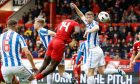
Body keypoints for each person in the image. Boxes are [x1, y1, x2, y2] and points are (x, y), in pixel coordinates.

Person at [71, 3, 126, 84]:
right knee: (102, 71)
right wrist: (75, 7)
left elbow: (97, 28)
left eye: (90, 17)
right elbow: (80, 14)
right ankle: (117, 71)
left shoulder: (94, 23)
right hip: (98, 51)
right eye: (87, 17)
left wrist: (87, 31)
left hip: (94, 51)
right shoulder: (87, 22)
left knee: (90, 73)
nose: (88, 18)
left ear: (93, 17)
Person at [35, 18, 80, 82]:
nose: (34, 24)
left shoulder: (41, 30)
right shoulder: (72, 25)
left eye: (35, 23)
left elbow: (53, 33)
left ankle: (34, 79)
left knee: (50, 69)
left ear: (38, 24)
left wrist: (60, 38)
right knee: (61, 72)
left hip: (54, 48)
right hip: (60, 49)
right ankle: (72, 79)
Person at [0, 19, 37, 84]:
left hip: (5, 68)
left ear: (7, 26)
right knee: (33, 78)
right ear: (15, 26)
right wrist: (33, 66)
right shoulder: (18, 36)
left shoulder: (1, 36)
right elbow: (27, 52)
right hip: (17, 66)